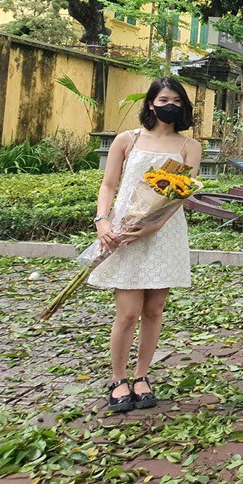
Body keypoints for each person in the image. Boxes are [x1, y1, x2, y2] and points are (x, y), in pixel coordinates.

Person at [89, 78, 202, 412]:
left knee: (153, 311)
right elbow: (108, 185)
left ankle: (142, 376)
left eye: (178, 101)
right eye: (164, 99)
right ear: (151, 103)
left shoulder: (189, 147)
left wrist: (153, 226)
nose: (171, 105)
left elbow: (178, 196)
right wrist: (102, 221)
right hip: (124, 229)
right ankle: (118, 378)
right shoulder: (128, 140)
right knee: (127, 313)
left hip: (163, 233)